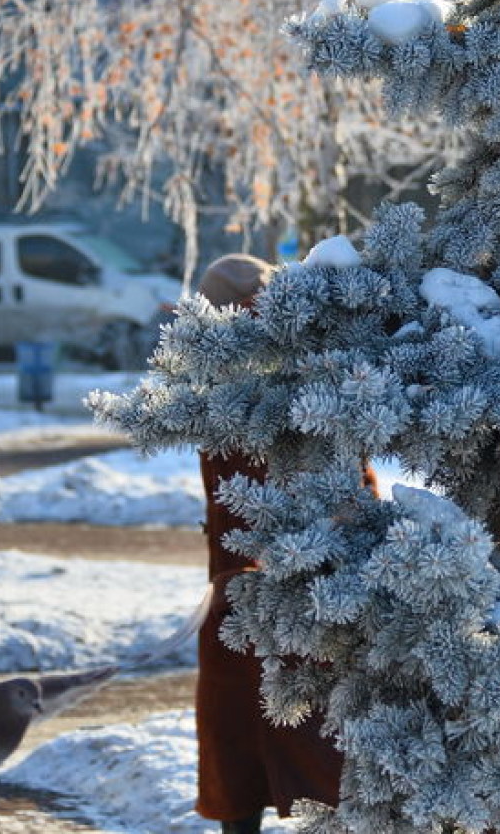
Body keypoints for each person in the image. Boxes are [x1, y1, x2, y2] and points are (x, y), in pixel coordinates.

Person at [195, 254, 370, 834]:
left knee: (244, 738)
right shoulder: (315, 377)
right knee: (317, 742)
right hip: (313, 587)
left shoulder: (227, 393)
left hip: (265, 590)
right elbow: (358, 487)